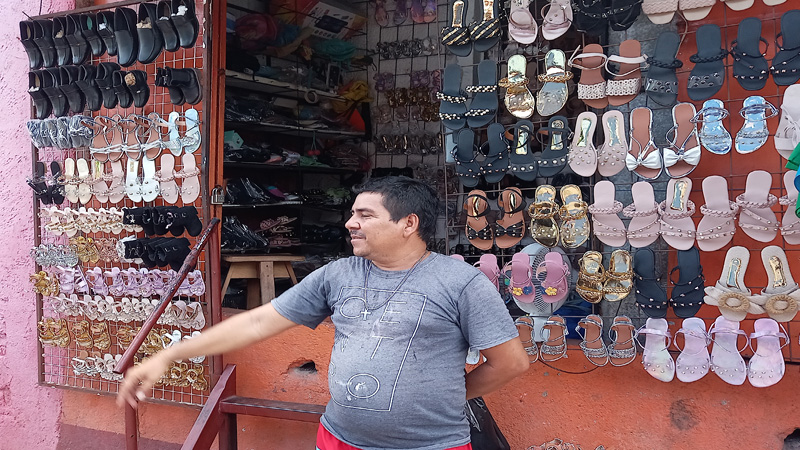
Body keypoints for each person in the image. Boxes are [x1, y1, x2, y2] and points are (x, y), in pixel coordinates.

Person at [118, 176, 528, 450]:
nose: (350, 223)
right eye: (352, 214)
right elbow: (259, 321)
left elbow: (509, 363)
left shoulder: (460, 281)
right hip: (339, 439)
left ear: (408, 223)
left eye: (365, 215)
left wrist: (448, 398)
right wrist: (170, 355)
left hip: (431, 444)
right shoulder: (337, 275)